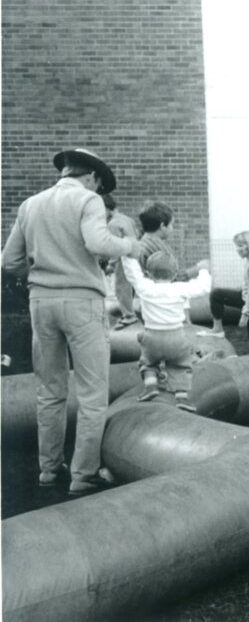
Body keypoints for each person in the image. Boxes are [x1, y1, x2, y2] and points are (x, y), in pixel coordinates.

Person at [1, 148, 141, 494]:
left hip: (41, 302)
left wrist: (40, 273)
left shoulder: (30, 204)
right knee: (93, 394)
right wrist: (129, 245)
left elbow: (8, 261)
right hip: (82, 303)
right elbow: (98, 242)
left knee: (49, 392)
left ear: (65, 171)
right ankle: (83, 475)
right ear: (91, 177)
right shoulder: (88, 200)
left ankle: (49, 470)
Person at [120, 252, 211, 409]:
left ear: (148, 274)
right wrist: (203, 270)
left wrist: (127, 255)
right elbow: (203, 287)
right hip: (176, 337)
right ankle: (182, 398)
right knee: (181, 365)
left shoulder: (145, 287)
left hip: (151, 337)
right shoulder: (180, 288)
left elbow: (132, 274)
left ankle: (150, 386)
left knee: (148, 363)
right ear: (175, 274)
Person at [198, 231, 249, 354]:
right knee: (217, 295)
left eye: (242, 245)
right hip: (246, 298)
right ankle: (217, 329)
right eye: (237, 246)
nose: (238, 249)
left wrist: (245, 314)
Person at [101, 193, 140, 329]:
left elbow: (114, 247)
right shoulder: (127, 219)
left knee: (121, 287)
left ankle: (128, 315)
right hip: (134, 256)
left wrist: (110, 265)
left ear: (107, 208)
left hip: (122, 259)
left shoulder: (112, 224)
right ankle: (130, 312)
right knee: (130, 286)